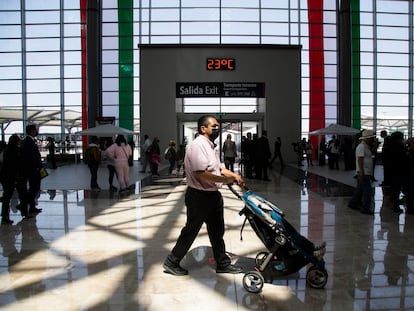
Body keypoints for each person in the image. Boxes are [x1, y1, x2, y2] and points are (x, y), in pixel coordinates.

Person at [163, 115, 245, 276]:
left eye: (217, 126)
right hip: (199, 197)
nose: (217, 128)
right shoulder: (198, 145)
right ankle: (172, 262)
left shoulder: (210, 146)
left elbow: (219, 167)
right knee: (191, 230)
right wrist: (224, 180)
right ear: (203, 128)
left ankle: (222, 263)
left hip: (213, 195)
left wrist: (234, 176)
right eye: (214, 126)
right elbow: (201, 174)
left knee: (217, 231)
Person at [0, 135, 31, 224]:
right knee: (22, 195)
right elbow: (16, 165)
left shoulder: (6, 151)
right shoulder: (16, 151)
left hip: (6, 177)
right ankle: (25, 213)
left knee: (7, 197)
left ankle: (5, 216)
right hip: (15, 177)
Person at [348, 130, 377, 214]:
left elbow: (370, 155)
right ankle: (365, 208)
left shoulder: (366, 147)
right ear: (367, 139)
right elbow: (360, 160)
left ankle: (353, 203)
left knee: (360, 189)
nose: (373, 140)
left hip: (366, 171)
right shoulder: (361, 147)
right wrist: (361, 172)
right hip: (364, 172)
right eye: (371, 138)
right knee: (367, 191)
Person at [22, 124, 43, 215]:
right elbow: (30, 156)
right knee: (34, 187)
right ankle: (27, 205)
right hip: (33, 169)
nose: (36, 131)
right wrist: (36, 167)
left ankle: (31, 206)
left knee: (35, 187)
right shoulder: (28, 141)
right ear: (31, 131)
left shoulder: (29, 141)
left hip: (34, 169)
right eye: (35, 130)